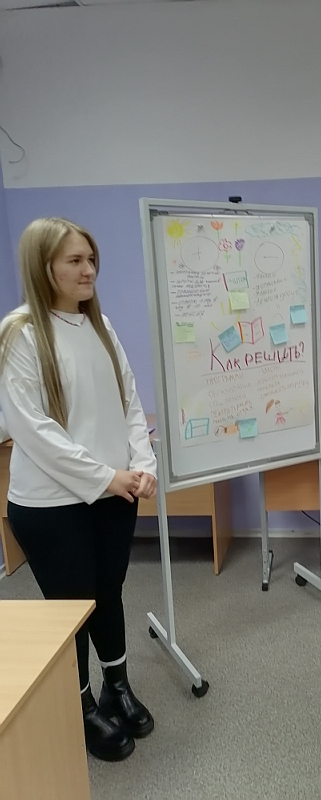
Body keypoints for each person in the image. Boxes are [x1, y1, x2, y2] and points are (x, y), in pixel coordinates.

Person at [0, 217, 158, 761]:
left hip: (113, 495)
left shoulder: (100, 325)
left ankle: (117, 686)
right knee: (72, 608)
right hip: (51, 506)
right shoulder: (19, 333)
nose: (89, 270)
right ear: (43, 267)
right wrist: (107, 476)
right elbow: (33, 431)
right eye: (75, 260)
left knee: (108, 593)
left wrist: (142, 463)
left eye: (91, 259)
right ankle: (81, 703)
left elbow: (129, 401)